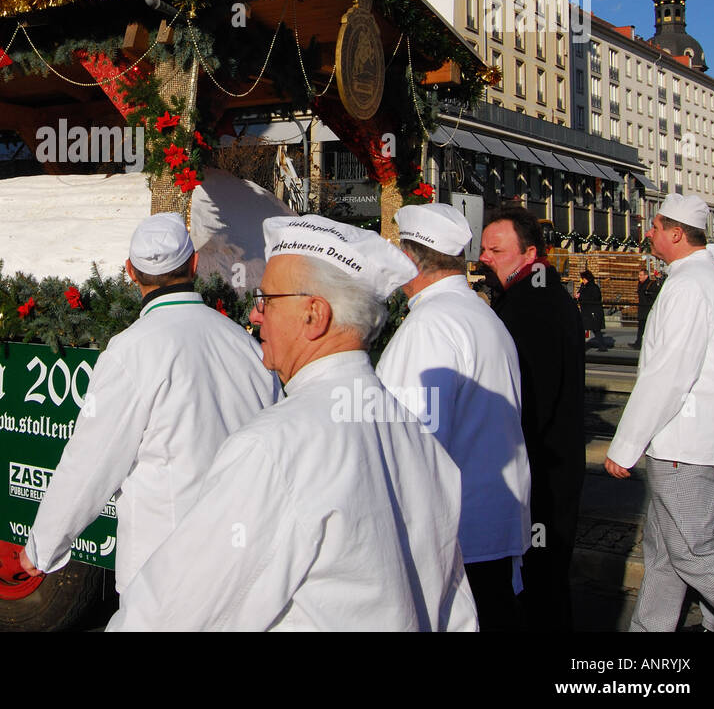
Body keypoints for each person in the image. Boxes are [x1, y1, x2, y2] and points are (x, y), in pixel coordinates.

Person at [108, 215, 477, 631]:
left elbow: (171, 609)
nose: (256, 313)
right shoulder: (413, 433)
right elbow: (457, 611)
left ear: (313, 315)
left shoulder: (275, 446)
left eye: (267, 299)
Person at [18, 213, 277, 592]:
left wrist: (42, 547)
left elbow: (90, 462)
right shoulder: (244, 344)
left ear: (130, 273)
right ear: (193, 264)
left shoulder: (131, 351)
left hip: (165, 574)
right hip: (245, 566)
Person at [376, 203, 531, 630]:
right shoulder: (482, 315)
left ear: (409, 259)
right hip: (494, 522)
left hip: (459, 533)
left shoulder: (429, 326)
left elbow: (409, 443)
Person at [604, 194, 714, 631]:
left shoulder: (690, 285)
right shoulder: (709, 281)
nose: (649, 233)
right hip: (695, 443)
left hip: (685, 445)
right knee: (664, 557)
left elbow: (668, 376)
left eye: (655, 227)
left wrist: (625, 446)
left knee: (693, 552)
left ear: (676, 233)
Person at [478, 206, 585, 631]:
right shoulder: (537, 296)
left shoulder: (531, 306)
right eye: (483, 248)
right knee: (547, 583)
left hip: (540, 470)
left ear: (529, 254)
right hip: (551, 466)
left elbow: (530, 402)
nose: (485, 257)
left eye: (496, 250)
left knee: (540, 585)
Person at [577, 269, 610, 351]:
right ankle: (601, 346)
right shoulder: (584, 286)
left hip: (593, 312)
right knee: (588, 329)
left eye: (583, 279)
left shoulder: (593, 287)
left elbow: (593, 298)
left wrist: (580, 297)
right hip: (587, 312)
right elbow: (581, 294)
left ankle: (602, 346)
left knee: (595, 330)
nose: (582, 281)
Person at [633, 266, 661, 349]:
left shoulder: (651, 284)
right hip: (642, 309)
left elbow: (655, 295)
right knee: (641, 327)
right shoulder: (640, 284)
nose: (639, 277)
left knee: (647, 328)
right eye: (639, 275)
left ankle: (647, 344)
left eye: (641, 275)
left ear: (646, 276)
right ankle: (638, 343)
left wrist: (648, 295)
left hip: (648, 309)